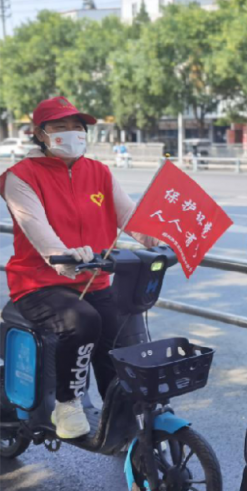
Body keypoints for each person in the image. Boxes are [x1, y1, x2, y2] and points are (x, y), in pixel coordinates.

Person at [0, 96, 159, 439]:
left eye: (78, 127)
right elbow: (36, 229)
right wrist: (63, 254)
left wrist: (157, 239)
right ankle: (67, 403)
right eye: (60, 127)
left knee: (117, 341)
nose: (72, 133)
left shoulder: (98, 172)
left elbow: (129, 216)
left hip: (95, 279)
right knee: (82, 321)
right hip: (38, 284)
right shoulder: (20, 177)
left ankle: (121, 415)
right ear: (40, 135)